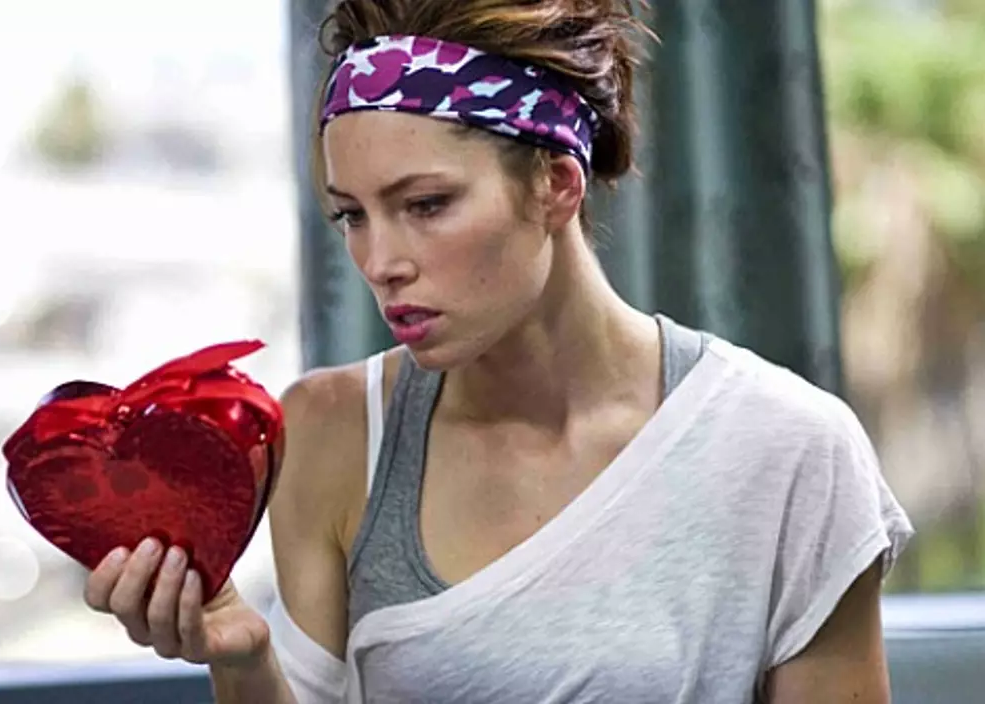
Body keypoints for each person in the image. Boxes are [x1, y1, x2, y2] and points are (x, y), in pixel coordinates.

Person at [83, 1, 914, 701]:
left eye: (426, 204)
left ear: (556, 184)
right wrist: (241, 659)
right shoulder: (330, 431)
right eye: (352, 215)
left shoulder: (788, 448)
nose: (380, 262)